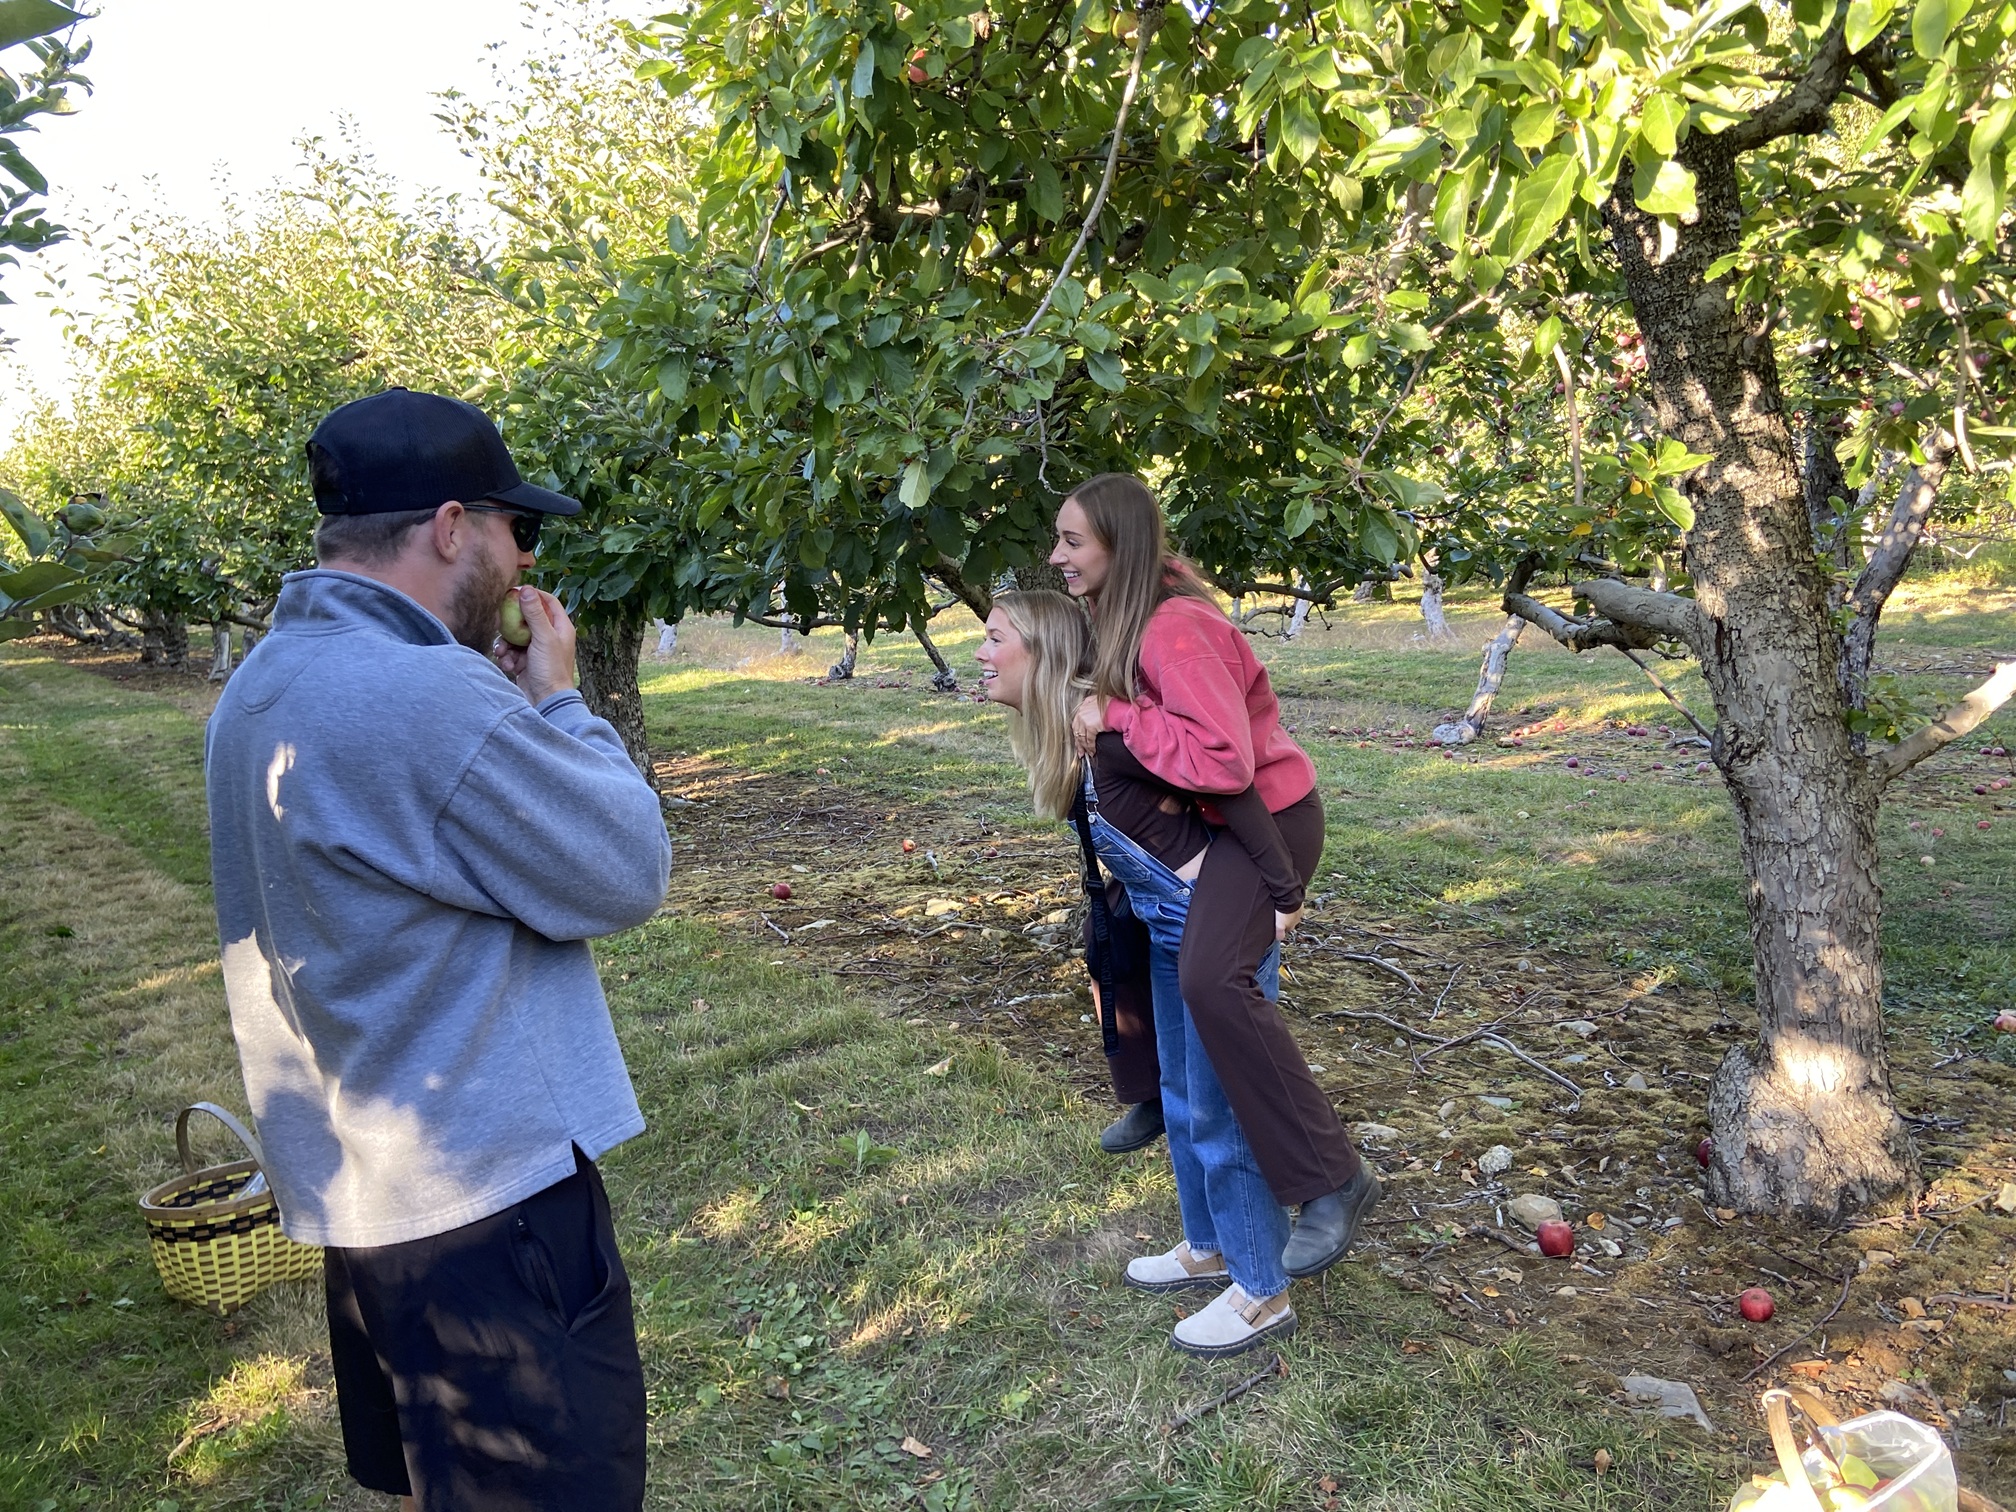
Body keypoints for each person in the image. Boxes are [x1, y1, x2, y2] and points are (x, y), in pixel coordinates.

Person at [203, 388, 671, 1511]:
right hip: (487, 1206)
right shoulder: (423, 691)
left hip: (369, 1197)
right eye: (521, 532)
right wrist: (557, 706)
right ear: (452, 527)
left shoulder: (259, 688)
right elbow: (622, 869)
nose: (522, 564)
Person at [1050, 474, 1379, 1280]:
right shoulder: (1126, 617)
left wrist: (1118, 716)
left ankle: (1335, 1180)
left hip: (1269, 819)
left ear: (1118, 546)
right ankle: (1199, 1214)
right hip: (1223, 827)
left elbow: (1225, 757)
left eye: (1071, 541)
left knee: (1211, 980)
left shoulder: (1176, 625)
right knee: (1167, 973)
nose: (1056, 556)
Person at [977, 589, 1298, 1356]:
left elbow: (1233, 787)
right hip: (1165, 924)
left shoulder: (1114, 737)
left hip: (1211, 928)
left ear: (1043, 652)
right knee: (1183, 1096)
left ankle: (1264, 1290)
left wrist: (1282, 897)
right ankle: (1209, 1245)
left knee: (1226, 1106)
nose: (980, 655)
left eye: (994, 639)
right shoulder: (1074, 735)